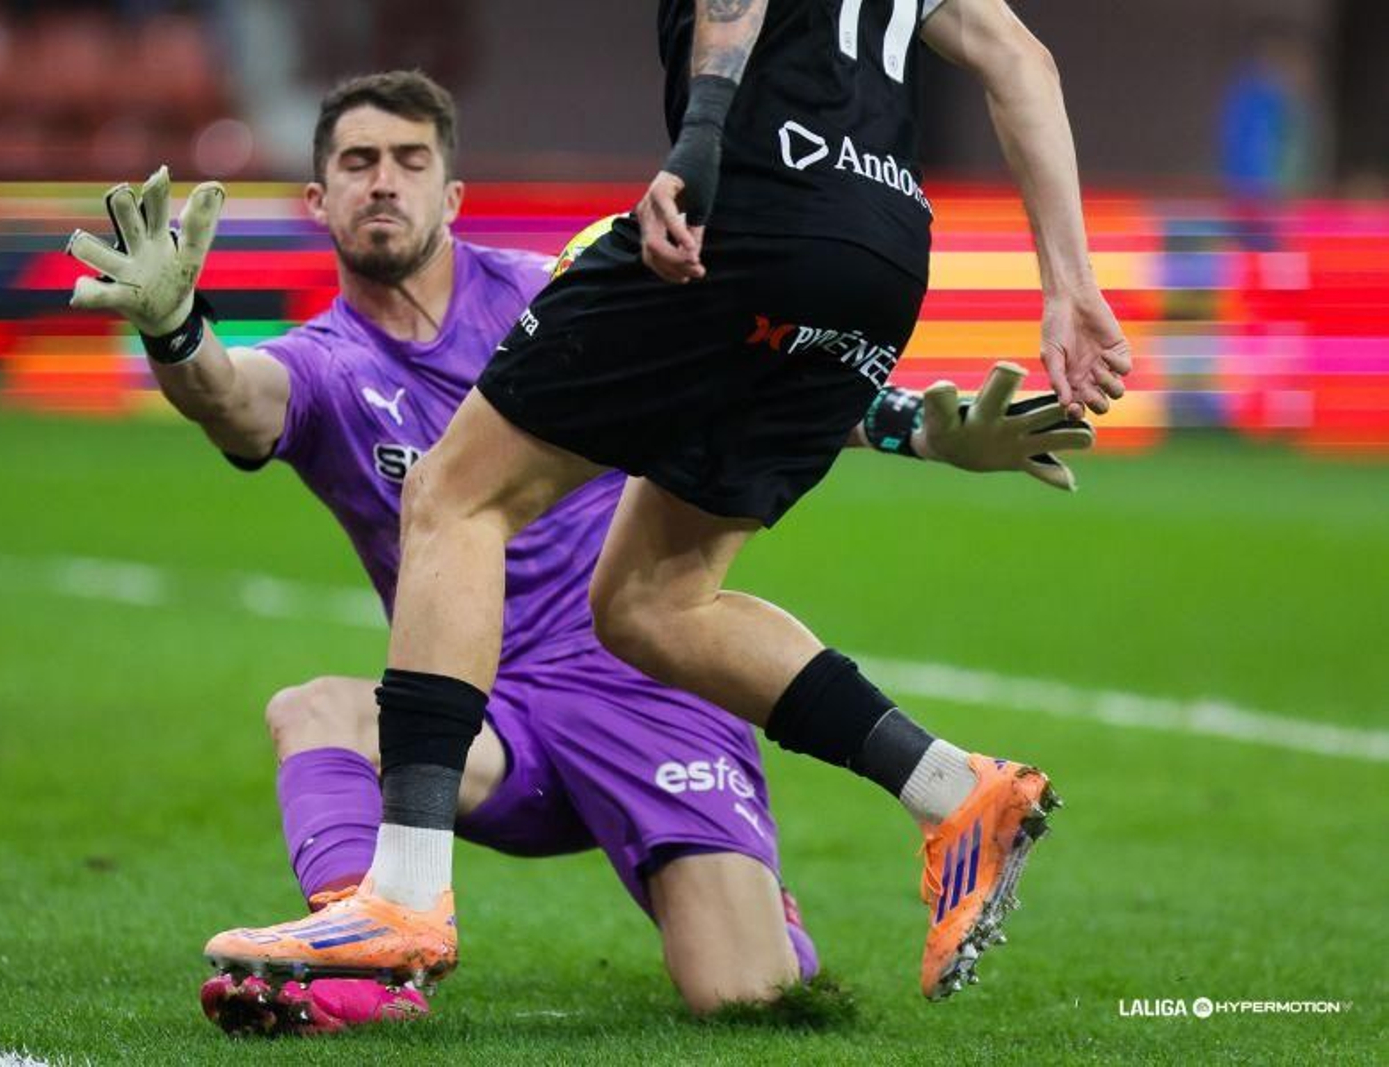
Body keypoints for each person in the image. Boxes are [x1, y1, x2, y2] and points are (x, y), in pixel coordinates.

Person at [67, 46, 1100, 1025]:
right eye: (356, 163)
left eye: (409, 161)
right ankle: (367, 951)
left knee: (744, 998)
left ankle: (757, 908)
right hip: (476, 726)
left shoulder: (557, 298)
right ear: (318, 199)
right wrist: (176, 330)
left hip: (649, 688)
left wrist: (916, 427)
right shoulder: (327, 365)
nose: (383, 182)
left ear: (451, 193)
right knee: (315, 710)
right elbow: (236, 402)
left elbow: (740, 371)